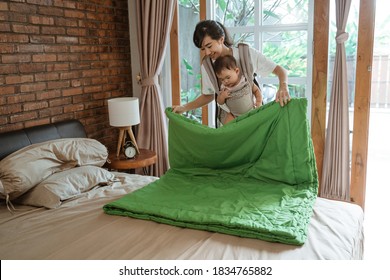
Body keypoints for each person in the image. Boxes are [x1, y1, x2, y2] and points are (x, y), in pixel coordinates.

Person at [172, 20, 290, 121]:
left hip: (253, 115)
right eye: (203, 49)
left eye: (209, 46)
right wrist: (184, 108)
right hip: (229, 121)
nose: (207, 53)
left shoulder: (245, 53)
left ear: (221, 39)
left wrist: (283, 86)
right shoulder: (207, 66)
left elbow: (280, 70)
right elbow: (208, 96)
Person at [213, 55, 262, 124]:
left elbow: (256, 90)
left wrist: (259, 102)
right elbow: (219, 102)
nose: (225, 81)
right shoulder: (224, 88)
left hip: (251, 113)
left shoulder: (245, 81)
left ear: (237, 71)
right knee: (229, 125)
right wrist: (222, 97)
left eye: (228, 77)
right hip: (235, 118)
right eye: (222, 79)